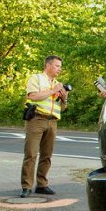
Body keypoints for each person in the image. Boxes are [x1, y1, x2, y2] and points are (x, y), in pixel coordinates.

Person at [20, 55, 68, 198]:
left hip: (52, 121)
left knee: (47, 155)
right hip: (37, 119)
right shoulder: (36, 78)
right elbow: (33, 96)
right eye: (57, 66)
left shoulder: (58, 83)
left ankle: (42, 184)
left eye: (60, 66)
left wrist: (64, 98)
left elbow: (63, 108)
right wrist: (54, 90)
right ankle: (26, 186)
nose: (60, 69)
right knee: (31, 154)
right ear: (48, 65)